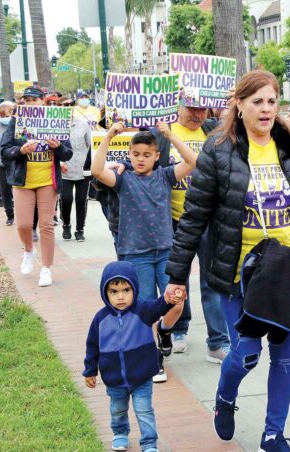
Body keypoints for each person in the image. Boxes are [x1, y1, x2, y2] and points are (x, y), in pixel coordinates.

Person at [164, 70, 290, 451]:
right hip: (234, 273)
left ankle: (273, 435)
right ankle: (224, 399)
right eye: (256, 101)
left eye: (271, 101)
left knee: (284, 356)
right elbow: (193, 217)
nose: (265, 109)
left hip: (286, 271)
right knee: (245, 353)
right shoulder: (217, 150)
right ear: (238, 105)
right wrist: (176, 275)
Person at [92, 123, 197, 383]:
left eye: (147, 154)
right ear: (129, 154)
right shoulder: (123, 180)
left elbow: (192, 161)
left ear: (156, 156)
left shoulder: (165, 176)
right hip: (135, 254)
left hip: (165, 252)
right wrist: (109, 135)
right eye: (136, 154)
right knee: (145, 307)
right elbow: (96, 170)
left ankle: (164, 331)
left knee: (178, 300)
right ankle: (154, 360)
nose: (141, 159)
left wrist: (170, 134)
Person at [149, 100, 231, 364]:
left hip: (208, 220)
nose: (197, 115)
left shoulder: (214, 131)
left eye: (202, 109)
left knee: (211, 281)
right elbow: (141, 158)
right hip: (172, 221)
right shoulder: (161, 133)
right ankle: (178, 329)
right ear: (178, 107)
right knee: (177, 280)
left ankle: (217, 342)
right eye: (191, 109)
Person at [84, 261, 183, 452]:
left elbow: (160, 306)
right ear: (105, 293)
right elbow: (92, 346)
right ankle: (120, 434)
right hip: (114, 378)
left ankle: (149, 443)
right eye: (114, 291)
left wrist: (170, 298)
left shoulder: (144, 311)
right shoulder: (100, 319)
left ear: (134, 289)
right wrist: (90, 370)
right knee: (118, 410)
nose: (121, 296)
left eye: (126, 290)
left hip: (142, 376)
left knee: (144, 411)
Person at [1, 86, 73, 287]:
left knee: (46, 225)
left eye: (34, 100)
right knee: (23, 224)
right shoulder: (16, 121)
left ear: (43, 101)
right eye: (27, 100)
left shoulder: (55, 120)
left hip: (47, 181)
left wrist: (58, 147)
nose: (30, 103)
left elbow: (68, 154)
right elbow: (5, 151)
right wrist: (21, 149)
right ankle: (29, 249)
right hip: (23, 181)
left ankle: (46, 268)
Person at [60, 92, 102, 241]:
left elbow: (90, 145)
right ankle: (66, 225)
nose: (66, 108)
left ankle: (79, 230)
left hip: (82, 168)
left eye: (69, 105)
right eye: (62, 105)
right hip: (64, 169)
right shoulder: (54, 126)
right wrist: (59, 163)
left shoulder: (82, 124)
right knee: (66, 199)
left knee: (80, 199)